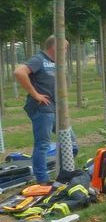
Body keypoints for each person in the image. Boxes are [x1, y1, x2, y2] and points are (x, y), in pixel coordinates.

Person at [13, 35, 76, 183]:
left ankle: (65, 172)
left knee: (71, 141)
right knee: (43, 144)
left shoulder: (55, 62)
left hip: (55, 109)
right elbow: (19, 72)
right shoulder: (39, 59)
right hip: (42, 109)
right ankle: (42, 179)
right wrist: (35, 94)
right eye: (65, 47)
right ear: (55, 47)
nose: (66, 51)